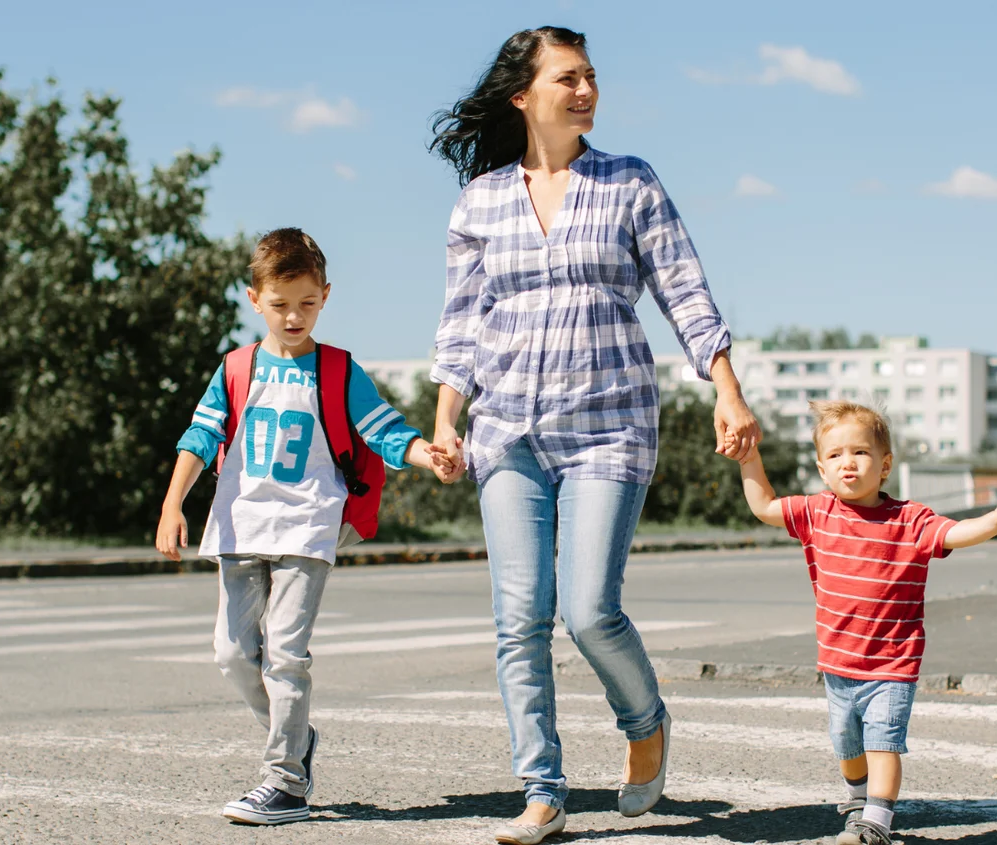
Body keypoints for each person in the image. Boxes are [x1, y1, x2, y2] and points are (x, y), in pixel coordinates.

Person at [427, 25, 762, 845]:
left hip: (608, 425)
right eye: (566, 78)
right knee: (518, 617)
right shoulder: (480, 202)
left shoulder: (628, 183)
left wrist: (727, 391)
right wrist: (445, 418)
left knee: (587, 609)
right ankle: (543, 789)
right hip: (507, 429)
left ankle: (644, 721)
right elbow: (462, 324)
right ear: (524, 95)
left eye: (590, 77)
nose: (584, 90)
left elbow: (686, 291)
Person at [155, 228, 454, 825]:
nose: (294, 317)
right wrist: (172, 503)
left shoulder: (339, 371)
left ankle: (285, 782)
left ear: (325, 296)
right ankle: (294, 738)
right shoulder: (236, 368)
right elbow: (200, 435)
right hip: (240, 525)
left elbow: (385, 431)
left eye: (307, 304)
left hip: (308, 529)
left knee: (285, 656)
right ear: (253, 299)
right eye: (280, 304)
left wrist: (428, 453)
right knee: (232, 654)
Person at [735, 400, 997, 845]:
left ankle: (876, 823)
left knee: (883, 744)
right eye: (835, 455)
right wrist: (749, 457)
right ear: (821, 468)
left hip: (892, 665)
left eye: (860, 452)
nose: (847, 463)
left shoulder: (910, 521)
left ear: (885, 463)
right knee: (845, 744)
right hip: (838, 662)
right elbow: (763, 505)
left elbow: (955, 533)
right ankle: (858, 801)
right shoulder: (816, 513)